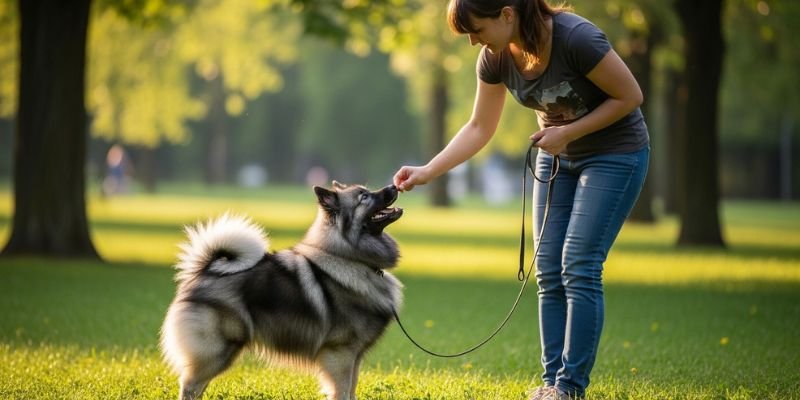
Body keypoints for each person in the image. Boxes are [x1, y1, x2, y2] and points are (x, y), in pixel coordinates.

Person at [392, 1, 650, 399]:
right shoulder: (494, 58)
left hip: (614, 154)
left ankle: (569, 387)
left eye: (477, 30)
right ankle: (551, 384)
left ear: (507, 14)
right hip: (556, 155)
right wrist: (429, 171)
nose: (473, 42)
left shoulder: (576, 39)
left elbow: (630, 96)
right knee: (547, 268)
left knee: (579, 263)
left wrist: (568, 132)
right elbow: (479, 127)